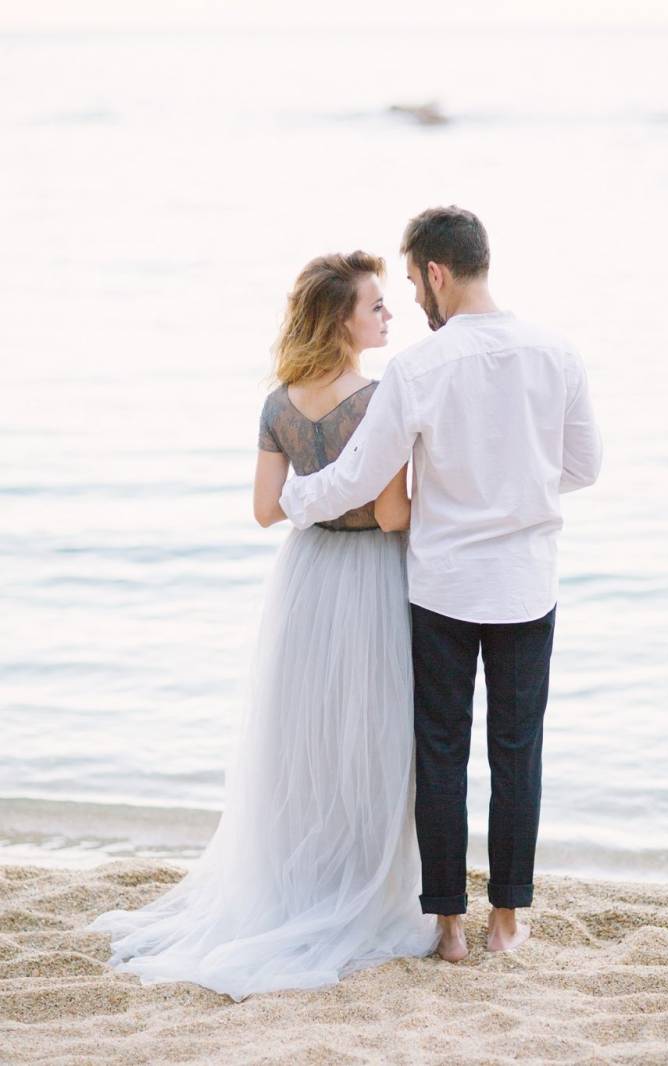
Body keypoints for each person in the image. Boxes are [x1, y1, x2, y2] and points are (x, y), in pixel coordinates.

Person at [86, 251, 440, 1001]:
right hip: (371, 578)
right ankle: (360, 888)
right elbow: (390, 514)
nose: (388, 315)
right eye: (376, 305)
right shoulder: (377, 399)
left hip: (305, 578)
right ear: (342, 320)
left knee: (303, 741)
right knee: (370, 742)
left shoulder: (279, 403)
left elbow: (264, 510)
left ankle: (303, 881)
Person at [279, 206, 603, 964]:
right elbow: (585, 467)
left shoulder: (419, 370)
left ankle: (448, 928)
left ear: (436, 273)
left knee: (441, 750)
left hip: (444, 588)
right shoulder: (557, 353)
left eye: (417, 285)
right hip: (525, 583)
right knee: (518, 749)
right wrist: (515, 479)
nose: (416, 304)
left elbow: (359, 474)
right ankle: (506, 921)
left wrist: (292, 503)